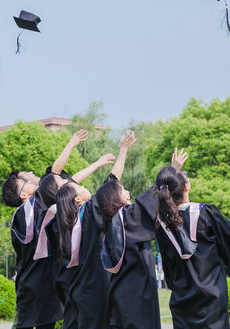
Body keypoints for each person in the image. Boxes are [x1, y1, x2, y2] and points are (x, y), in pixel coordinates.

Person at [1, 129, 114, 329]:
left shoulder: (36, 206)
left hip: (41, 279)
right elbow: (56, 175)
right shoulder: (27, 210)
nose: (31, 179)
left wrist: (97, 163)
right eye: (25, 181)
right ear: (23, 195)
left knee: (40, 323)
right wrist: (71, 144)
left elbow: (69, 184)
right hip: (36, 280)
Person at [95, 140, 183, 329]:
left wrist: (123, 150)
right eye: (122, 190)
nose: (127, 192)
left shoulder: (109, 223)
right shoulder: (126, 219)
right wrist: (172, 173)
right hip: (135, 294)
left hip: (122, 294)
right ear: (113, 198)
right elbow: (149, 201)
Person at [54, 131, 136, 329]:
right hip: (93, 288)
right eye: (78, 187)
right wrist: (123, 150)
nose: (81, 185)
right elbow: (112, 182)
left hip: (77, 287)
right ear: (78, 199)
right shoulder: (89, 214)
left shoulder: (68, 222)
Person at [155, 163, 230, 329]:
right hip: (211, 301)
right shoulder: (206, 213)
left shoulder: (162, 227)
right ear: (186, 187)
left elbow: (168, 270)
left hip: (182, 301)